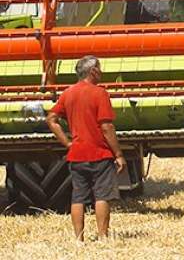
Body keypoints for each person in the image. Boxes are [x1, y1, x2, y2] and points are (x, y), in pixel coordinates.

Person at [45, 55, 127, 240]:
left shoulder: (68, 93)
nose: (102, 72)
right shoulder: (99, 93)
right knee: (102, 196)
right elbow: (106, 127)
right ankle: (102, 237)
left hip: (77, 155)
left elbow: (51, 119)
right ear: (93, 71)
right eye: (100, 68)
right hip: (100, 153)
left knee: (78, 197)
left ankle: (78, 239)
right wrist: (119, 154)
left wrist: (67, 143)